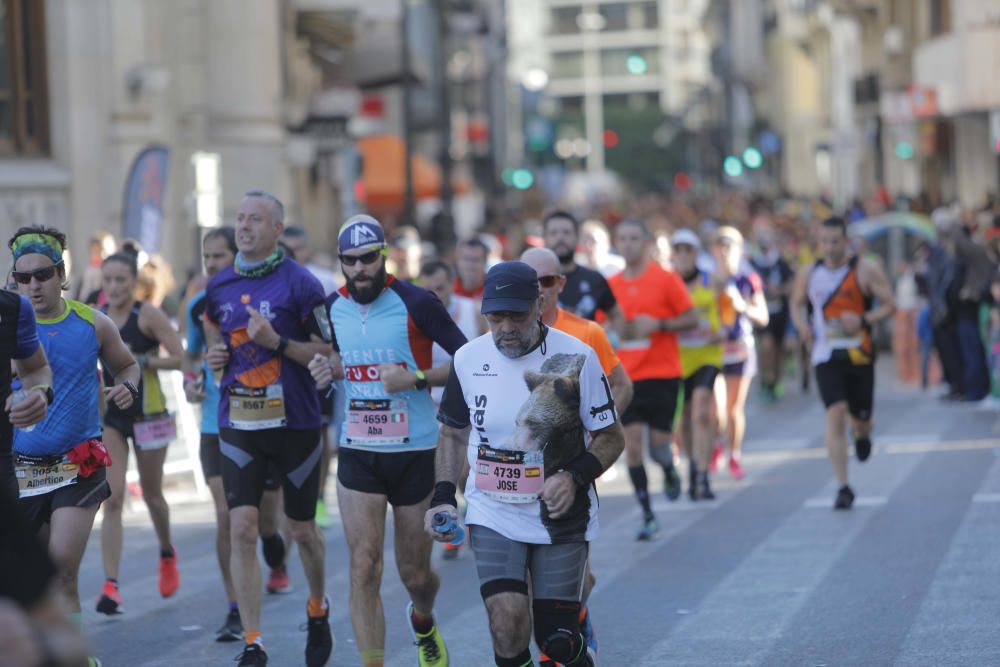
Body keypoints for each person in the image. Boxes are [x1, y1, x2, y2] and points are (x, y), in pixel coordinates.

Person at [426, 260, 625, 667]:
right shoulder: (467, 359)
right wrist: (443, 496)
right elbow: (452, 432)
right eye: (495, 317)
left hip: (561, 512)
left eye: (515, 316)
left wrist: (574, 476)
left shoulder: (578, 357)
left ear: (538, 304)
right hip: (493, 510)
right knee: (506, 621)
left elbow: (611, 436)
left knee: (558, 641)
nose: (505, 327)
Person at [307, 214, 466, 667]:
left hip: (417, 452)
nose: (361, 270)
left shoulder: (417, 302)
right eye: (351, 262)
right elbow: (338, 359)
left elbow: (470, 361)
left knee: (415, 574)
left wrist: (416, 378)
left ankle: (423, 618)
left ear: (384, 256)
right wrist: (326, 369)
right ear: (341, 263)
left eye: (368, 259)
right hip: (359, 450)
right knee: (364, 564)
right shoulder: (328, 309)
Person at [204, 191, 334, 667]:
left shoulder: (301, 284)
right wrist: (215, 357)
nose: (244, 227)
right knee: (243, 526)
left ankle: (318, 608)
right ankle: (253, 641)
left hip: (297, 422)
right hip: (239, 422)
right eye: (239, 218)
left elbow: (327, 352)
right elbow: (216, 342)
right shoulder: (217, 285)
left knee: (301, 530)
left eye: (255, 219)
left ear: (277, 228)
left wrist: (277, 342)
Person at [8, 227, 139, 665]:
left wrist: (128, 391)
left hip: (77, 463)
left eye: (42, 275)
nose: (32, 286)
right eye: (21, 279)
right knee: (38, 584)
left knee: (62, 567)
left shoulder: (92, 322)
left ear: (61, 275)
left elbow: (127, 366)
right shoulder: (7, 327)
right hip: (20, 468)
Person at [520, 246, 633, 663]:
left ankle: (576, 614)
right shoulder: (505, 336)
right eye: (529, 282)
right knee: (530, 577)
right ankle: (551, 652)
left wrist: (597, 427)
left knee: (577, 577)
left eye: (546, 282)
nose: (538, 291)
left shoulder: (586, 334)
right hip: (521, 475)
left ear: (559, 284)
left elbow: (622, 385)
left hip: (571, 471)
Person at [182, 227, 292, 644]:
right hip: (216, 423)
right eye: (206, 257)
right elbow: (192, 357)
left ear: (238, 256)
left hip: (262, 419)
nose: (211, 265)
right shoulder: (198, 305)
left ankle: (273, 547)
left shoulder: (267, 301)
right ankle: (234, 607)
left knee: (263, 518)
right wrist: (193, 381)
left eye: (218, 257)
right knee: (227, 514)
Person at [96, 251, 185, 614]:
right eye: (108, 280)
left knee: (152, 495)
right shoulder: (95, 314)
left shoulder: (146, 315)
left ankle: (166, 552)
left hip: (149, 413)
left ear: (135, 282)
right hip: (112, 416)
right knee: (112, 498)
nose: (114, 288)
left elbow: (182, 357)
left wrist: (141, 360)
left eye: (121, 280)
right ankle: (110, 585)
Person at [790, 216, 895, 510]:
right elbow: (797, 302)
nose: (830, 247)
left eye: (835, 241)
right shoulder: (809, 272)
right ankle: (843, 485)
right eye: (824, 241)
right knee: (835, 412)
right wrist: (803, 326)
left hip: (859, 353)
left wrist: (861, 320)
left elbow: (890, 304)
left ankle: (862, 435)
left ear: (846, 241)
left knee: (862, 420)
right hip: (826, 354)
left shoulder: (864, 269)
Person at [608, 219, 697, 540]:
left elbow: (692, 317)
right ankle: (647, 513)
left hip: (662, 374)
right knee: (632, 447)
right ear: (616, 243)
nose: (628, 244)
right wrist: (612, 332)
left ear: (646, 243)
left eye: (634, 238)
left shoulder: (666, 279)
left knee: (659, 447)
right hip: (626, 378)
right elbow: (601, 327)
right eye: (623, 239)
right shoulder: (611, 284)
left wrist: (658, 325)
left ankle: (669, 469)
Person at [281, 223, 340, 528]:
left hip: (318, 366)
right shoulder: (273, 283)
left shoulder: (324, 279)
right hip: (286, 371)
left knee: (320, 433)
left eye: (298, 248)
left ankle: (318, 496)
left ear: (305, 249)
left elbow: (335, 325)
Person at [711, 227, 769, 480]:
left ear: (740, 250)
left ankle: (734, 454)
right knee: (717, 410)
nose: (724, 252)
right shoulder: (708, 280)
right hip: (714, 350)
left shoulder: (749, 280)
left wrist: (742, 306)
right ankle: (716, 445)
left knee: (734, 410)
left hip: (741, 350)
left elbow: (763, 317)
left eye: (729, 246)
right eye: (719, 246)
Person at [670, 229, 724, 500]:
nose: (682, 255)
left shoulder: (710, 280)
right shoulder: (668, 283)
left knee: (702, 411)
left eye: (687, 250)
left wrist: (723, 329)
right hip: (678, 358)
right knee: (684, 418)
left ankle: (703, 473)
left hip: (707, 355)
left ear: (696, 253)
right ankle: (692, 466)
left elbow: (728, 309)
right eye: (677, 250)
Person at [543, 210, 623, 328]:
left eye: (566, 232)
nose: (560, 237)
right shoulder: (534, 280)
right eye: (554, 233)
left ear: (577, 238)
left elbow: (617, 316)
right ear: (545, 238)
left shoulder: (594, 279)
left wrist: (611, 340)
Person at [750, 225, 795, 402]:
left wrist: (780, 290)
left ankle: (775, 380)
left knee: (778, 350)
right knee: (766, 347)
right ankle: (765, 380)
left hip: (780, 314)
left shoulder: (781, 262)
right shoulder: (753, 263)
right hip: (762, 314)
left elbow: (792, 284)